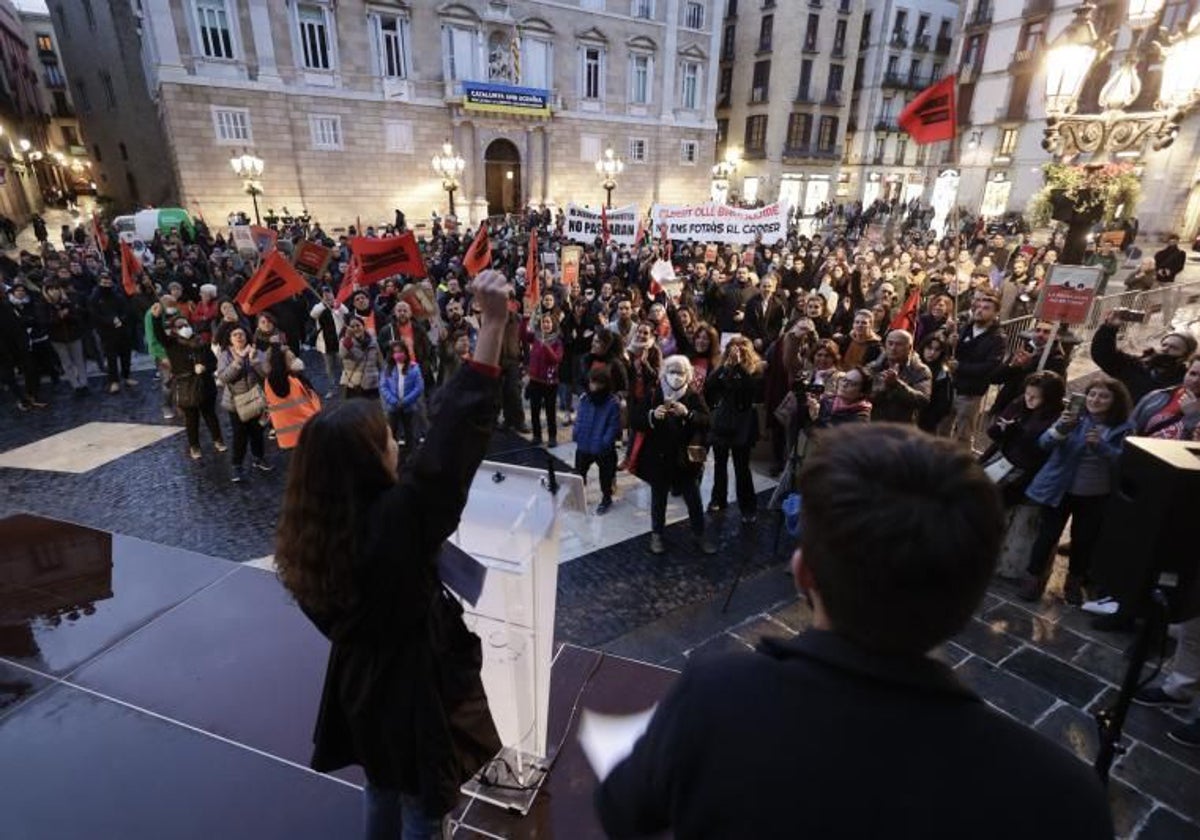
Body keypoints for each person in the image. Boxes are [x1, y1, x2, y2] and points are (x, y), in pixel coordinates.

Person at [594, 424, 1113, 839]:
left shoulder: (714, 695)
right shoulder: (1062, 799)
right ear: (972, 598)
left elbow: (621, 810)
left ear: (803, 574)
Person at [275, 271, 510, 840]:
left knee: (380, 785)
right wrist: (494, 325)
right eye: (387, 440)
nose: (398, 443)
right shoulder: (397, 525)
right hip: (414, 692)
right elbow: (453, 441)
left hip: (358, 682)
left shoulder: (307, 536)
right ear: (366, 463)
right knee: (421, 810)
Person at [1021, 377, 1134, 605]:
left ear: (1115, 401)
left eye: (1104, 396)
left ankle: (1073, 584)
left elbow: (1126, 462)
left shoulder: (1124, 427)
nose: (1096, 400)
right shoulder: (1073, 417)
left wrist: (1102, 448)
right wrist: (1061, 429)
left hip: (1095, 494)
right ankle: (1033, 581)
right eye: (1092, 394)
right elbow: (1044, 443)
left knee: (1083, 540)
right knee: (1047, 537)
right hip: (1059, 489)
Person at [982, 371, 1066, 579]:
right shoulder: (1020, 403)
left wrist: (1020, 432)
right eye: (1028, 394)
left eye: (1034, 397)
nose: (1029, 399)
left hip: (1025, 472)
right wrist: (1003, 429)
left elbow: (1042, 447)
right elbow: (995, 429)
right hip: (1000, 460)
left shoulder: (1056, 416)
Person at [631, 355, 716, 556]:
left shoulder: (693, 396)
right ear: (664, 373)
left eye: (680, 372)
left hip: (685, 460)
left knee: (693, 499)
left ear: (688, 375)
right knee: (658, 499)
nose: (675, 376)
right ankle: (657, 535)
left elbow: (707, 421)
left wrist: (688, 414)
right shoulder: (654, 394)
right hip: (659, 458)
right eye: (672, 371)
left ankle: (699, 533)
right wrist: (651, 416)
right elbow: (635, 420)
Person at [705, 335, 764, 523]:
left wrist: (738, 367)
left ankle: (747, 506)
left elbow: (750, 392)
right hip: (722, 420)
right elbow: (710, 386)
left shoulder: (756, 369)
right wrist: (725, 367)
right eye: (732, 346)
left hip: (742, 422)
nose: (736, 350)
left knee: (741, 467)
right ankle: (718, 499)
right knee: (719, 464)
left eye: (740, 347)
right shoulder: (722, 367)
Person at [156, 312, 226, 460]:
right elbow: (159, 335)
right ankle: (194, 446)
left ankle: (218, 440)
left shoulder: (201, 343)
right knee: (191, 419)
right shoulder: (172, 345)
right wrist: (156, 317)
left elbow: (214, 362)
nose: (184, 328)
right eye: (180, 326)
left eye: (186, 325)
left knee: (210, 415)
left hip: (205, 384)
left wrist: (205, 367)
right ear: (174, 330)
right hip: (186, 386)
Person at [1091, 310, 1195, 402]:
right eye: (1164, 345)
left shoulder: (1183, 382)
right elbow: (1104, 356)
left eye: (1174, 348)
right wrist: (1109, 328)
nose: (1165, 349)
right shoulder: (1138, 365)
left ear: (1185, 356)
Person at [943, 294, 1006, 446]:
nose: (980, 311)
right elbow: (952, 355)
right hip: (950, 387)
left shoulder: (998, 338)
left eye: (986, 308)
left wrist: (961, 367)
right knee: (943, 427)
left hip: (970, 393)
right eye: (978, 307)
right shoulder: (965, 328)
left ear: (995, 313)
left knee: (963, 435)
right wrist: (949, 343)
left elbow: (990, 367)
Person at [215, 322, 272, 483]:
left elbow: (266, 374)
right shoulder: (225, 355)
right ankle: (237, 465)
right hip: (235, 403)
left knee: (257, 431)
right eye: (235, 335)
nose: (239, 337)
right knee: (239, 434)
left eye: (241, 334)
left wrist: (255, 361)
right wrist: (238, 361)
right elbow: (224, 377)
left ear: (246, 336)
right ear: (230, 339)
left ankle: (259, 458)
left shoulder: (256, 352)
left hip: (255, 398)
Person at [573, 366, 621, 515]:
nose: (593, 385)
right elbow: (580, 418)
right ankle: (579, 497)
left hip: (603, 448)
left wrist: (604, 442)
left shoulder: (612, 403)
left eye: (596, 382)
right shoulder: (585, 399)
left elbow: (613, 426)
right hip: (584, 444)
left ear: (604, 384)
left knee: (606, 475)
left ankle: (606, 498)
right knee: (579, 473)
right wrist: (576, 432)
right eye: (591, 382)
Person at [865, 329, 931, 425]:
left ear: (909, 348)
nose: (893, 348)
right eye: (890, 343)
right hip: (874, 424)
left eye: (898, 344)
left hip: (902, 426)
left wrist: (897, 385)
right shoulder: (874, 367)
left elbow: (922, 400)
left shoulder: (919, 370)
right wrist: (882, 388)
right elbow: (863, 394)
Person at [1129, 354, 1200, 441]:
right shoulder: (1157, 396)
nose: (1196, 380)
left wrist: (1193, 416)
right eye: (1193, 374)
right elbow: (1129, 428)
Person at [520, 312, 564, 446]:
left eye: (548, 322)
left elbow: (556, 359)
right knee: (534, 410)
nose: (546, 324)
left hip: (550, 383)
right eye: (544, 322)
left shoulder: (557, 342)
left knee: (550, 411)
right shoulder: (536, 337)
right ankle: (537, 436)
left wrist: (546, 346)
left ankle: (552, 437)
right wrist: (525, 320)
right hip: (535, 380)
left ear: (553, 325)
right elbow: (523, 335)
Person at [89, 273, 137, 394]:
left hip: (122, 330)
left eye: (108, 282)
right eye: (104, 282)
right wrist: (110, 321)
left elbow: (126, 310)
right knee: (111, 358)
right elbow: (95, 315)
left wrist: (121, 319)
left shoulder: (118, 296)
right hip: (107, 332)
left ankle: (126, 376)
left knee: (126, 356)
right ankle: (113, 381)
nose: (106, 285)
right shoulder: (94, 298)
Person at [380, 340, 425, 447]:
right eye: (395, 352)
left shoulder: (414, 368)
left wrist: (405, 401)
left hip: (409, 408)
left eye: (400, 351)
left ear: (405, 352)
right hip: (393, 407)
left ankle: (412, 458)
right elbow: (383, 386)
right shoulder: (388, 369)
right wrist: (393, 401)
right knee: (392, 436)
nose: (398, 354)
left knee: (412, 436)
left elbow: (419, 387)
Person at [310, 287, 348, 398]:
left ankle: (346, 386)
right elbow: (313, 314)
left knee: (343, 365)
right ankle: (332, 388)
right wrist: (324, 303)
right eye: (324, 293)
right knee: (329, 368)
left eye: (329, 293)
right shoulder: (318, 306)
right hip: (326, 342)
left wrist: (336, 303)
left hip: (339, 341)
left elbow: (346, 312)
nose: (327, 295)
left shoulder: (338, 304)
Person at [340, 316, 384, 400]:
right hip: (354, 386)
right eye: (352, 326)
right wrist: (348, 338)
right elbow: (343, 354)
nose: (356, 328)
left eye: (358, 325)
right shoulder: (345, 342)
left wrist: (384, 380)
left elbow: (380, 361)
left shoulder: (373, 342)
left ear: (363, 327)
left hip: (373, 385)